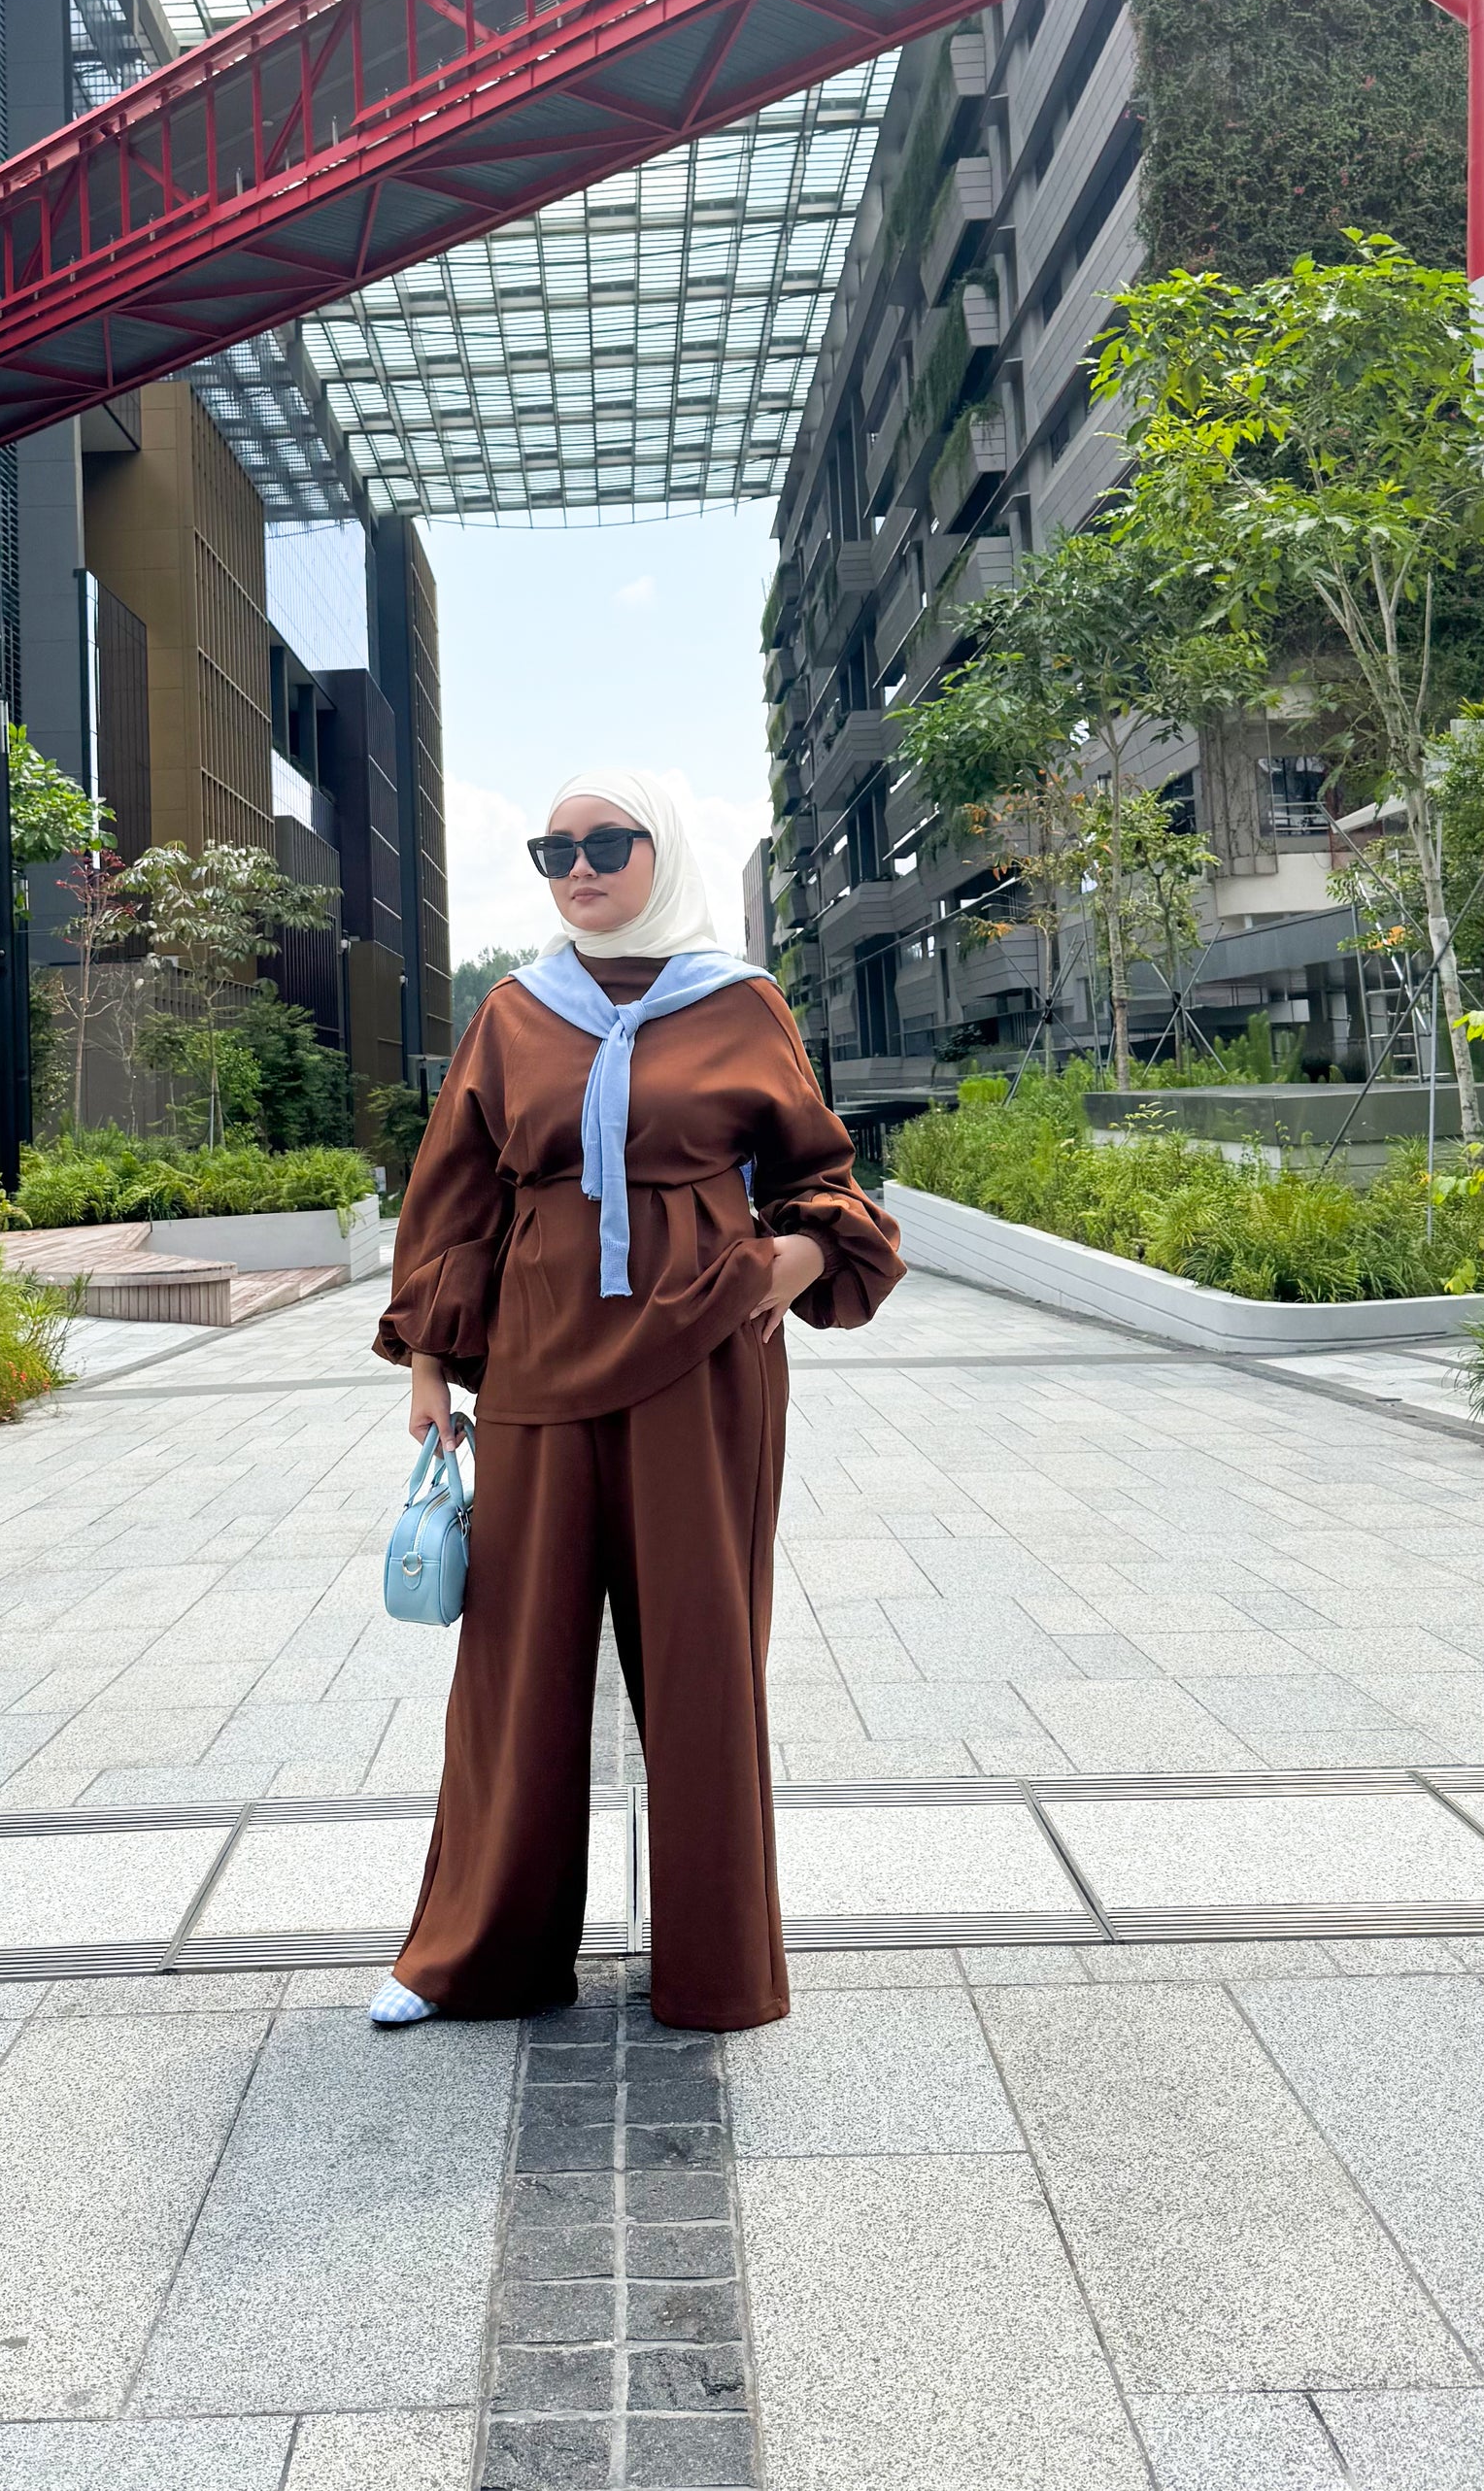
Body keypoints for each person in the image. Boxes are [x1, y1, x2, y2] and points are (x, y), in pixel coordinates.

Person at [368, 766, 903, 2036]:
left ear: (663, 851)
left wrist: (801, 1254)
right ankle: (476, 1957)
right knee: (516, 1661)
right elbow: (452, 1199)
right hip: (537, 1363)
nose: (579, 869)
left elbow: (820, 1171)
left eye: (607, 844)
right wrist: (431, 1367)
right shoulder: (512, 1014)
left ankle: (717, 1968)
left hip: (707, 1357)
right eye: (553, 850)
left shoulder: (741, 1002)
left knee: (702, 1654)